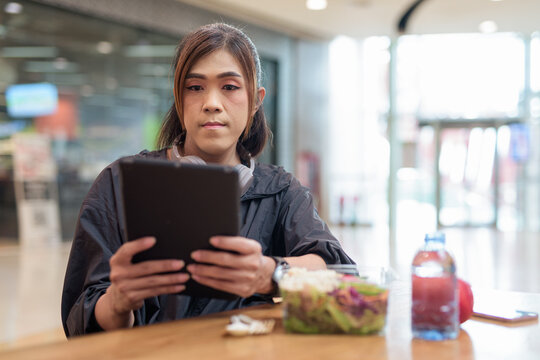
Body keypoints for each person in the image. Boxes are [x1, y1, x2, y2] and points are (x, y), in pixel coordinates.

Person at [61, 23, 354, 337]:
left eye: (229, 87)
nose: (212, 103)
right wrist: (118, 301)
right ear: (178, 97)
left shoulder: (281, 191)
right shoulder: (118, 184)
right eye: (195, 87)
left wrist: (270, 273)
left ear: (256, 100)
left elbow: (339, 275)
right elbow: (80, 319)